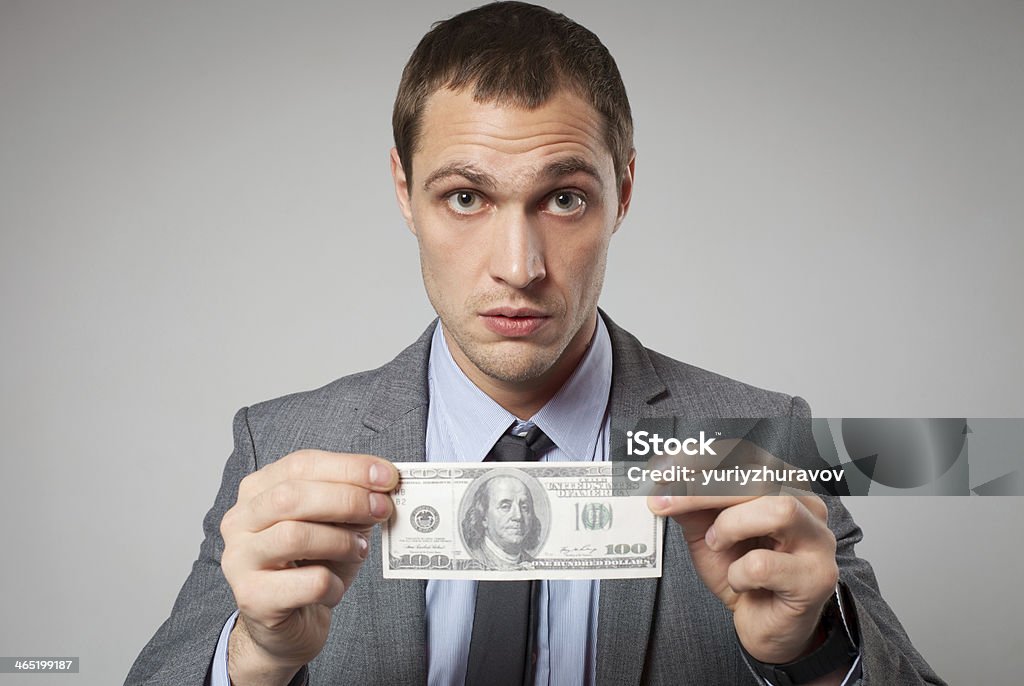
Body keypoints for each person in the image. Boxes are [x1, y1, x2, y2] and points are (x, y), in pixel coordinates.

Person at [126, 3, 944, 685]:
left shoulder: (756, 439)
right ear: (404, 193)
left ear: (622, 192)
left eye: (562, 198)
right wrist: (253, 656)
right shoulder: (279, 444)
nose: (518, 269)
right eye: (464, 197)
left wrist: (815, 650)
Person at [461, 472, 545, 570]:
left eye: (524, 507)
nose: (518, 516)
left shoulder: (535, 564)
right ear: (483, 517)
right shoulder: (471, 560)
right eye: (505, 507)